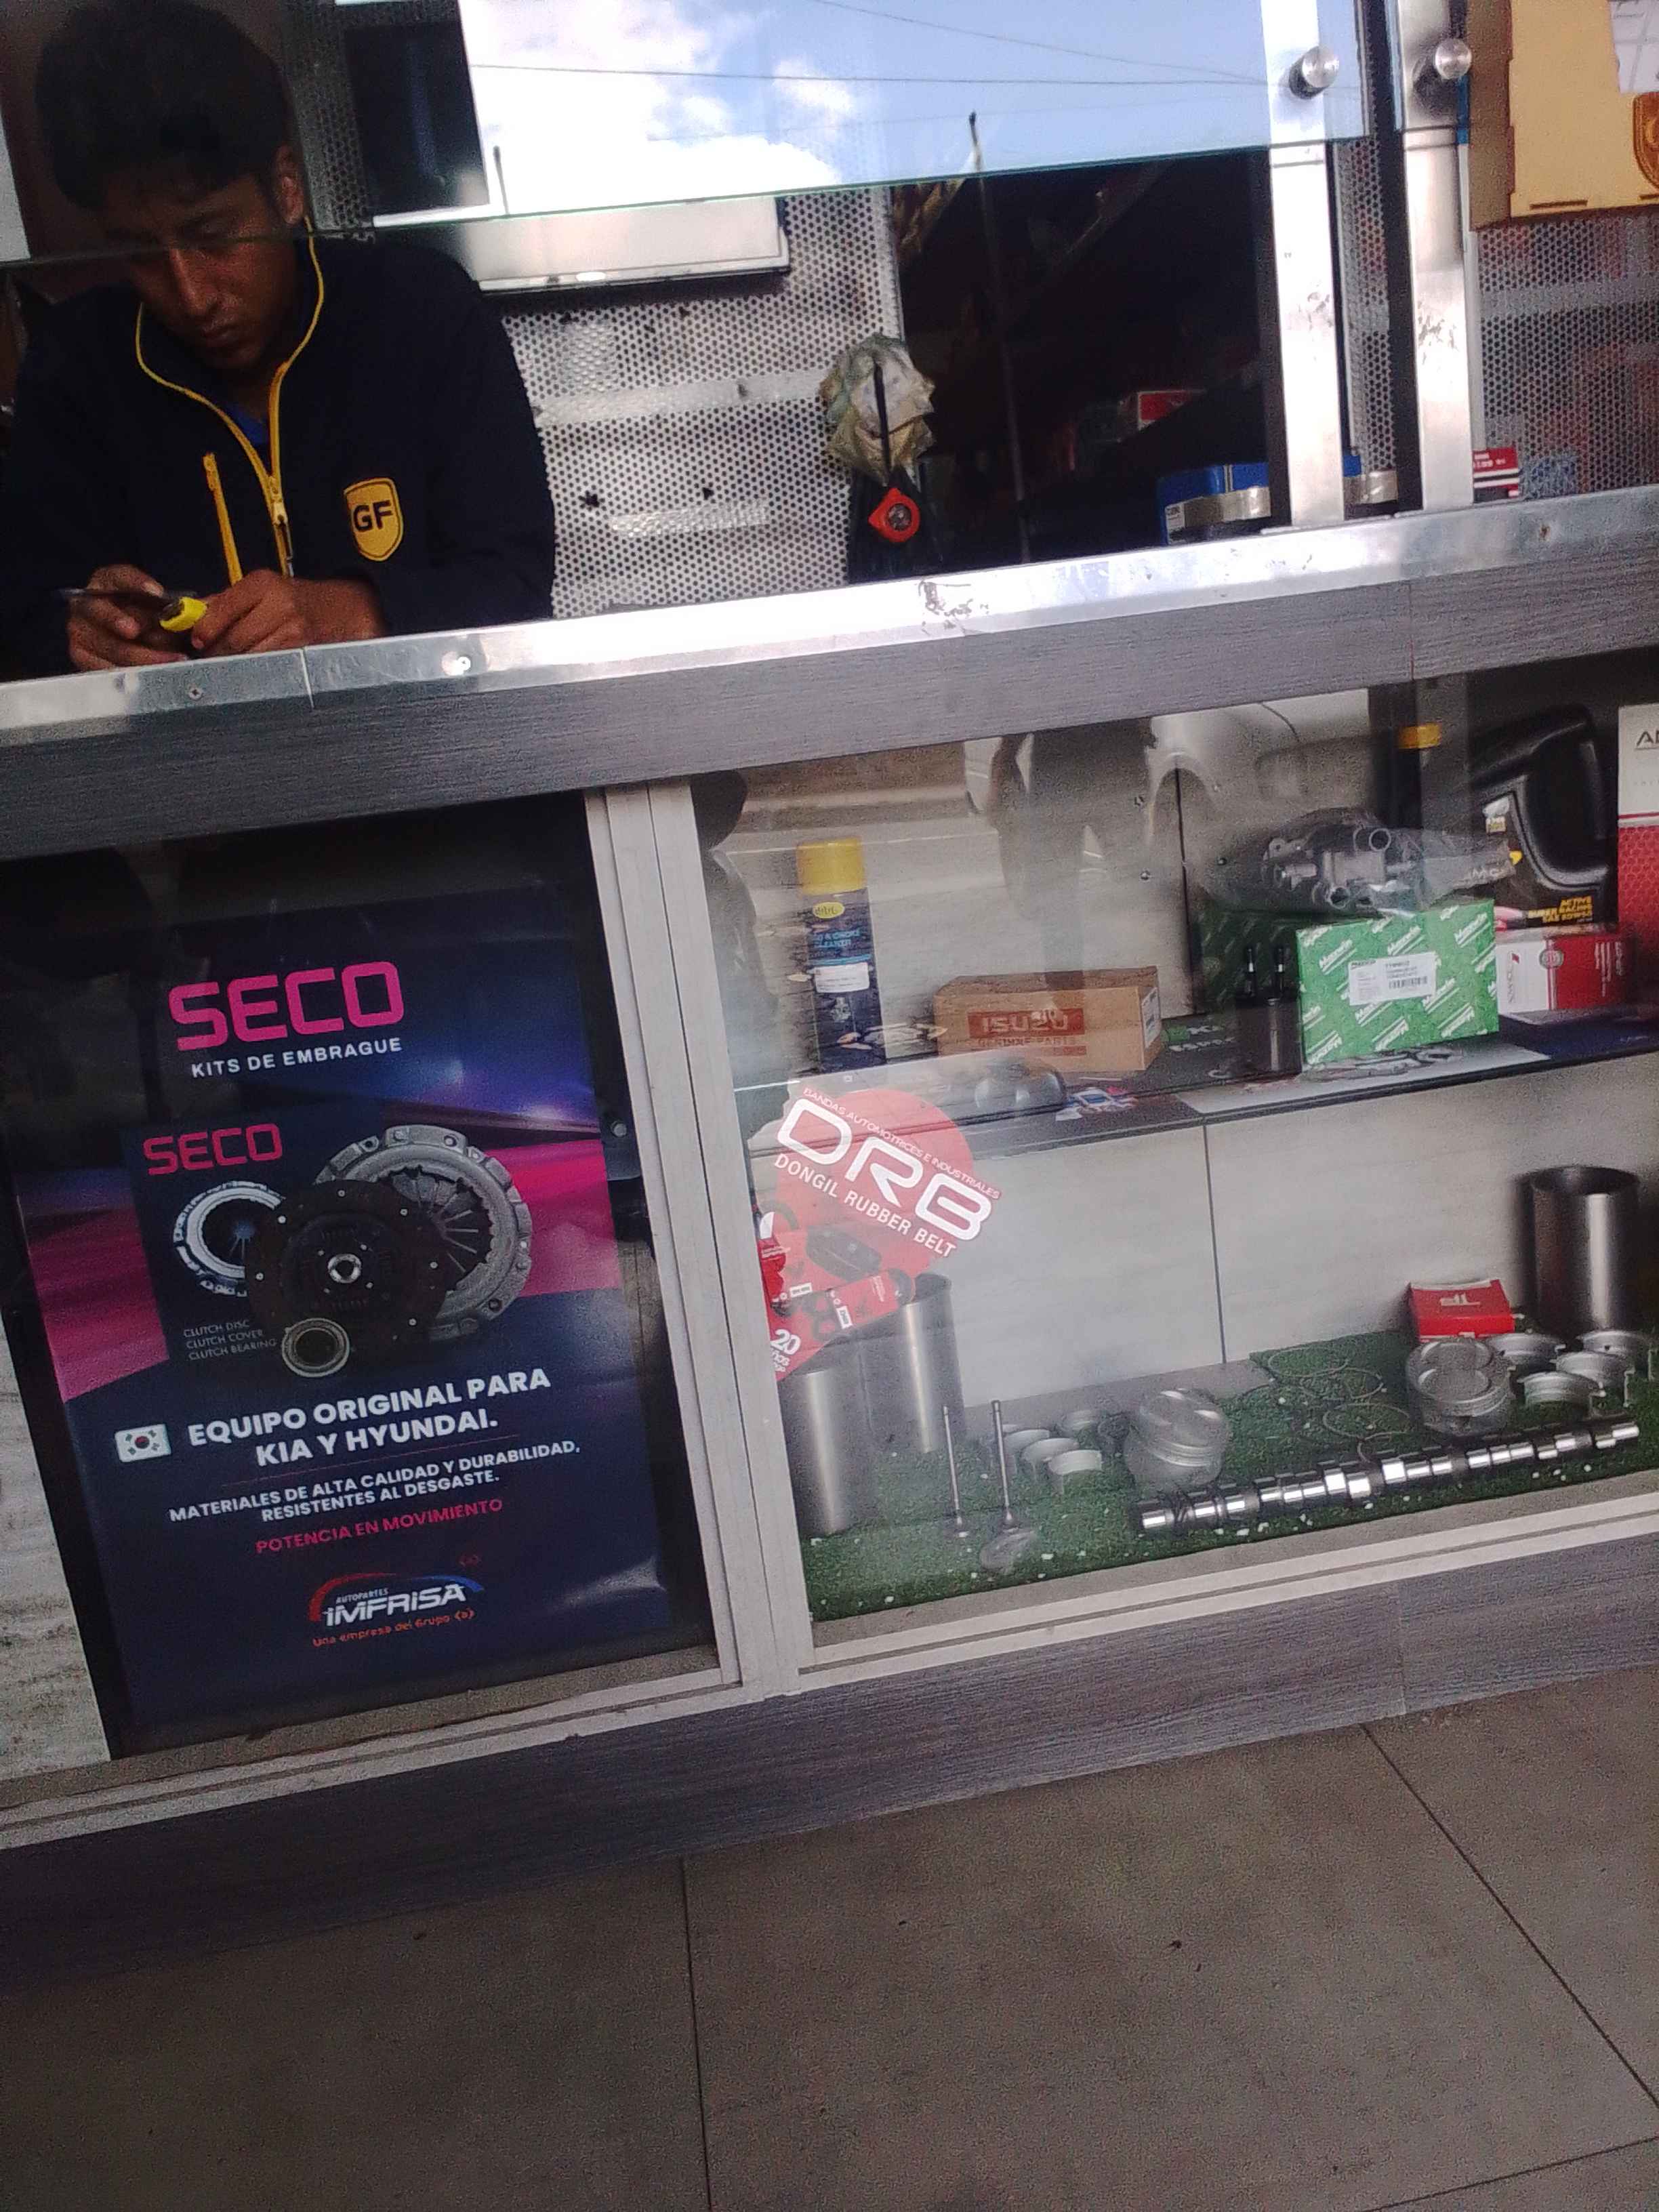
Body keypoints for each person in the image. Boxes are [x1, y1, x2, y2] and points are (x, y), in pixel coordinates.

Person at [0, 0, 556, 677]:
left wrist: (358, 611)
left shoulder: (420, 312)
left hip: (434, 739)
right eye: (141, 254)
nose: (191, 295)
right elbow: (24, 617)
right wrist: (80, 633)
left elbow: (516, 581)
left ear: (286, 189)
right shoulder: (77, 368)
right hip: (189, 749)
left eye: (213, 236)